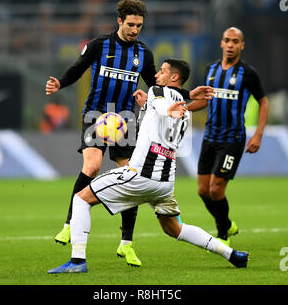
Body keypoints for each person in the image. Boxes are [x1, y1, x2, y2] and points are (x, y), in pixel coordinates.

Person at [47, 59, 249, 274]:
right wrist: (149, 107)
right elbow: (160, 116)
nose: (156, 75)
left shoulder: (158, 92)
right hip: (165, 183)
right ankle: (232, 254)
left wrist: (164, 109)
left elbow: (163, 107)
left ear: (174, 78)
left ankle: (77, 262)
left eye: (161, 71)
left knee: (80, 198)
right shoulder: (183, 106)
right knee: (175, 228)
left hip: (140, 174)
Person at [45, 0, 157, 267]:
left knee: (130, 177)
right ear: (119, 21)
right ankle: (70, 224)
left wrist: (182, 96)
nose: (135, 30)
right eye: (131, 24)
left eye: (139, 26)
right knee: (92, 167)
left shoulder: (143, 53)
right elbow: (77, 69)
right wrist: (60, 82)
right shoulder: (98, 45)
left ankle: (126, 244)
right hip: (96, 114)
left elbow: (155, 84)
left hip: (126, 120)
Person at [186, 27, 269, 245]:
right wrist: (183, 109)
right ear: (221, 43)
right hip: (210, 137)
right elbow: (205, 100)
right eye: (227, 40)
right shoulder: (211, 69)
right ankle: (227, 225)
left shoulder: (248, 73)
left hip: (232, 140)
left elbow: (263, 101)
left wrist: (258, 135)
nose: (231, 45)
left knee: (215, 189)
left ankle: (223, 234)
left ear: (242, 45)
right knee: (203, 190)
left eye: (235, 41)